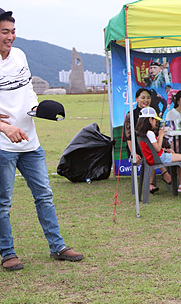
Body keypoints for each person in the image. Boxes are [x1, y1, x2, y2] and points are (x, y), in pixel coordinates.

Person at [0, 8, 83, 271]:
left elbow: (26, 90)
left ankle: (57, 247)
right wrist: (5, 128)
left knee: (44, 195)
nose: (10, 37)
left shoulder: (21, 55)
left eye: (13, 31)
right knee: (3, 203)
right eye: (5, 31)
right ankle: (8, 253)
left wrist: (37, 108)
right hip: (3, 146)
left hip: (30, 142)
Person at [135, 107, 181, 197]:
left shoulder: (141, 132)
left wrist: (165, 149)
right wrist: (161, 135)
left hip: (153, 157)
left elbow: (152, 148)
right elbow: (157, 149)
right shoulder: (149, 133)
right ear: (150, 119)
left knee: (180, 159)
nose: (156, 123)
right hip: (159, 158)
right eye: (155, 120)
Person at [123, 88, 172, 194]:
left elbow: (155, 135)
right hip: (137, 147)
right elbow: (128, 137)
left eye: (148, 97)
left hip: (151, 147)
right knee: (151, 152)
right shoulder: (131, 114)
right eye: (143, 97)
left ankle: (153, 181)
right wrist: (133, 153)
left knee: (158, 150)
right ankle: (162, 174)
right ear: (136, 99)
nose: (146, 100)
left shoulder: (153, 113)